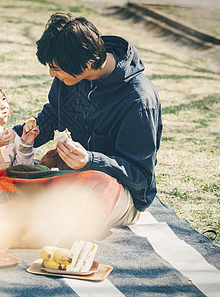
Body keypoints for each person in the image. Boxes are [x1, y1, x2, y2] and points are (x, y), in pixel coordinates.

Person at [14, 12, 162, 227]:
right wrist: (13, 137)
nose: (51, 75)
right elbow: (52, 116)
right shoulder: (69, 77)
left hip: (118, 192)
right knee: (14, 181)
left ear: (85, 64)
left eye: (55, 69)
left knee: (54, 215)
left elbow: (140, 175)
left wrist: (91, 160)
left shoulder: (138, 99)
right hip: (72, 178)